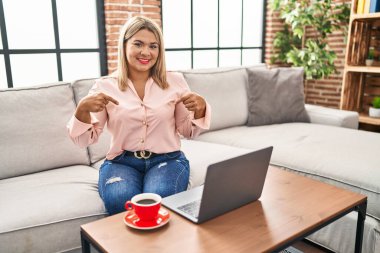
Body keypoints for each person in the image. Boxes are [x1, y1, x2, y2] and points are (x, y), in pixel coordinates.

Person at [67, 16, 211, 215]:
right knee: (120, 201)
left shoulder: (175, 81)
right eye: (138, 44)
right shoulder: (104, 86)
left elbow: (188, 132)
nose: (146, 52)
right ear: (124, 45)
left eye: (153, 46)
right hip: (121, 162)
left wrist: (201, 109)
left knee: (157, 202)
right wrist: (82, 110)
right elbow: (84, 140)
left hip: (167, 159)